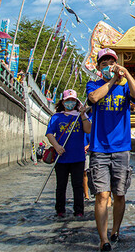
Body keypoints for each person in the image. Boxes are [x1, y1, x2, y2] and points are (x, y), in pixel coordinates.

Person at [86, 48, 135, 252]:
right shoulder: (94, 84)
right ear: (99, 67)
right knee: (102, 195)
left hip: (121, 148)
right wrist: (111, 82)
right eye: (104, 63)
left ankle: (116, 230)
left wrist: (126, 75)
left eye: (111, 62)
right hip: (99, 148)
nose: (108, 66)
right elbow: (93, 98)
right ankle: (103, 240)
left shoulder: (125, 85)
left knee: (119, 194)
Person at [45, 89, 91, 218]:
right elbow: (49, 133)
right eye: (67, 101)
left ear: (76, 102)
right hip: (62, 157)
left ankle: (79, 210)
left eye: (73, 101)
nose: (70, 103)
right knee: (61, 185)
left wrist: (82, 115)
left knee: (78, 185)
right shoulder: (57, 117)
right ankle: (60, 210)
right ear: (63, 102)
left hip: (78, 157)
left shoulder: (81, 116)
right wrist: (57, 146)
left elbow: (88, 130)